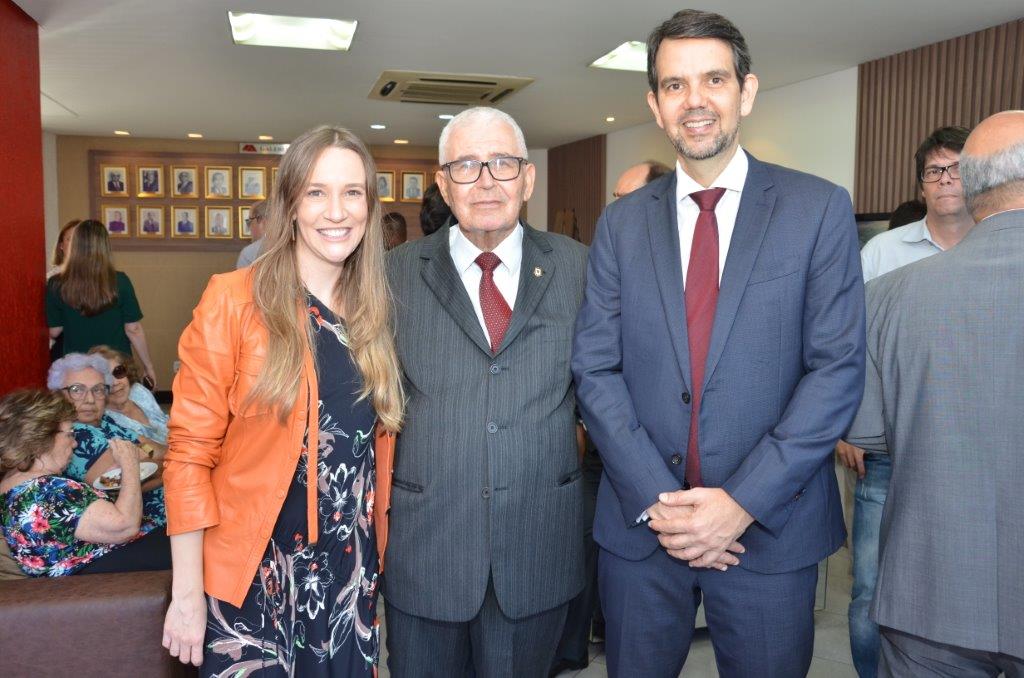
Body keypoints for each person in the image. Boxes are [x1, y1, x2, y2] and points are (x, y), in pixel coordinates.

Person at [571, 10, 865, 677]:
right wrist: (663, 504)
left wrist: (741, 503)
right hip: (643, 530)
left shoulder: (817, 210)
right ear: (655, 104)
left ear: (746, 91)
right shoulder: (620, 226)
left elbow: (837, 370)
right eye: (674, 85)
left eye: (714, 79)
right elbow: (595, 368)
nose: (695, 100)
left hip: (772, 527)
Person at [160, 125, 402, 675]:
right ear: (290, 204)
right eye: (316, 192)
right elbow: (189, 455)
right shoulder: (234, 300)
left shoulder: (376, 311)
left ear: (369, 205)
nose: (336, 211)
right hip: (254, 577)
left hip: (348, 578)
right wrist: (187, 593)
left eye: (352, 192)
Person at [384, 106, 588, 677]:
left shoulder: (580, 268)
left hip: (537, 547)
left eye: (502, 163)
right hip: (428, 548)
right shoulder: (392, 274)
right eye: (467, 166)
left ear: (528, 178)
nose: (486, 181)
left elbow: (611, 386)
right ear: (443, 183)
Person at [846, 110, 1024, 677]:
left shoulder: (888, 295)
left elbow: (867, 430)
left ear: (971, 185)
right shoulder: (883, 263)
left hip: (929, 585)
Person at [836, 125, 972, 678]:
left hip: (979, 452)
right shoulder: (882, 252)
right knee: (871, 589)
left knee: (967, 583)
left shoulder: (1002, 247)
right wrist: (847, 427)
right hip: (889, 450)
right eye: (935, 170)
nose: (946, 180)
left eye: (957, 168)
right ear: (921, 184)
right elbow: (849, 344)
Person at [0, 389, 169, 577]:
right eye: (69, 434)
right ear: (42, 437)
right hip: (113, 566)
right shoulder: (47, 490)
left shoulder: (12, 487)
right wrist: (129, 463)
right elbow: (125, 526)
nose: (74, 443)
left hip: (97, 569)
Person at [47, 353, 166, 528]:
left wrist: (144, 453)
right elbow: (114, 484)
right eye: (77, 390)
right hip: (150, 524)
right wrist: (170, 467)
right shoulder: (73, 436)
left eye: (98, 389)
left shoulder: (106, 421)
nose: (90, 399)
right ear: (58, 395)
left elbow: (151, 447)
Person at [46, 220, 157, 386]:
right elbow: (133, 329)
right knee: (119, 402)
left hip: (79, 368)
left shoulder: (56, 283)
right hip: (116, 366)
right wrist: (148, 366)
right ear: (104, 247)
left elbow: (55, 331)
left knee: (84, 402)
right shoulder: (120, 280)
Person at [88, 345, 169, 445]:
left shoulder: (138, 391)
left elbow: (165, 421)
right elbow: (147, 450)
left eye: (118, 371)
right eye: (105, 379)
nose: (115, 382)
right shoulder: (105, 422)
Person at [235, 200, 266, 268]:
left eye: (249, 222)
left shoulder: (249, 253)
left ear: (261, 221)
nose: (249, 228)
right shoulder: (289, 246)